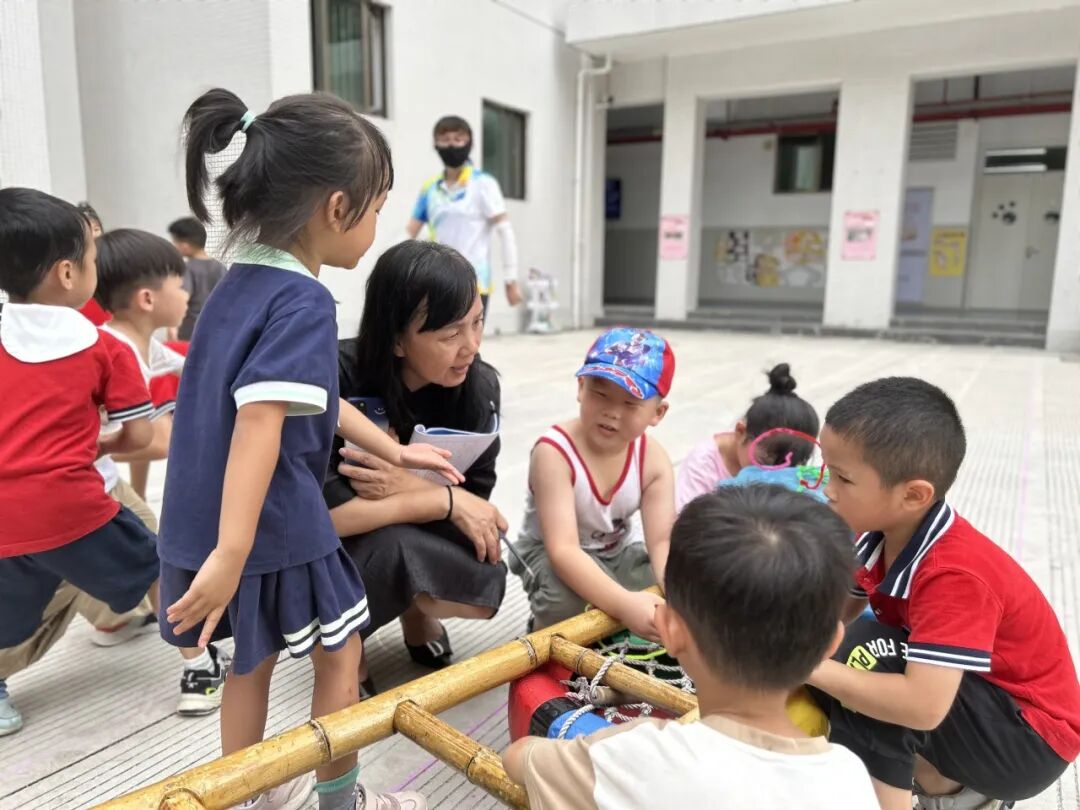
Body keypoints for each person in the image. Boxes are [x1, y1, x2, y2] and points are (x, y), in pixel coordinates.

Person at [157, 88, 458, 810]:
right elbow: (263, 419)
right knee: (340, 652)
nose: (377, 226)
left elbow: (307, 399)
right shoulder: (303, 302)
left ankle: (245, 797)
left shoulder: (237, 285)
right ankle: (337, 801)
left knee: (250, 666)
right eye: (377, 207)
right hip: (276, 525)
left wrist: (398, 450)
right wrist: (233, 554)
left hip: (211, 518)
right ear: (335, 208)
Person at [502, 485, 879, 809]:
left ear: (669, 628)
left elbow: (518, 759)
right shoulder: (849, 779)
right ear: (831, 642)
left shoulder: (639, 756)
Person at [0, 189, 216, 737]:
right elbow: (139, 435)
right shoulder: (104, 347)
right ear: (69, 273)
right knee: (157, 564)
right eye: (93, 259)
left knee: (8, 611)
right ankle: (198, 669)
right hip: (74, 505)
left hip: (4, 517)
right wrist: (98, 447)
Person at [809, 377, 1080, 810]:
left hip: (1030, 741)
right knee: (847, 653)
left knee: (868, 655)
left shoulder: (952, 573)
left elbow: (923, 708)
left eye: (843, 477)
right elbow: (832, 612)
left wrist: (803, 665)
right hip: (984, 706)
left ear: (914, 495)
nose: (828, 488)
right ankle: (948, 789)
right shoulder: (883, 532)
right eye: (825, 468)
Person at [324, 240, 508, 694]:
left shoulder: (477, 389)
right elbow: (323, 520)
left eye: (477, 323)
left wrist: (407, 486)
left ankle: (415, 611)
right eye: (450, 335)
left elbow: (473, 507)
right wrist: (439, 498)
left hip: (419, 531)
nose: (470, 347)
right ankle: (344, 642)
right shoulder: (337, 378)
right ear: (397, 339)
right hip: (337, 548)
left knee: (485, 577)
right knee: (392, 545)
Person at [510, 328, 676, 641]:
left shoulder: (652, 460)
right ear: (581, 387)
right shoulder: (554, 453)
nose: (612, 413)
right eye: (600, 394)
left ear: (658, 412)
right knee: (568, 601)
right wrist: (626, 605)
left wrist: (675, 591)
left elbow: (662, 542)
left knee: (672, 580)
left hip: (615, 552)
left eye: (630, 403)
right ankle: (544, 635)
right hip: (548, 553)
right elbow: (563, 550)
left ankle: (616, 632)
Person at [406, 115, 523, 317]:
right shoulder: (431, 188)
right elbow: (409, 232)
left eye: (458, 139)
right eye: (445, 139)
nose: (452, 145)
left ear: (470, 142)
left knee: (466, 347)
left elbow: (505, 231)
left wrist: (510, 279)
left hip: (474, 283)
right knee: (438, 345)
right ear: (435, 144)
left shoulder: (483, 184)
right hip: (437, 282)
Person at [675, 363, 819, 512]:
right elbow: (685, 522)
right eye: (765, 462)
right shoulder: (703, 464)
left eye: (791, 465)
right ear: (740, 431)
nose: (775, 473)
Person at [167, 216, 227, 341]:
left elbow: (183, 296)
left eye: (175, 242)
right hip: (215, 328)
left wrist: (172, 326)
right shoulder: (220, 267)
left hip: (190, 330)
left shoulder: (188, 268)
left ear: (185, 245)